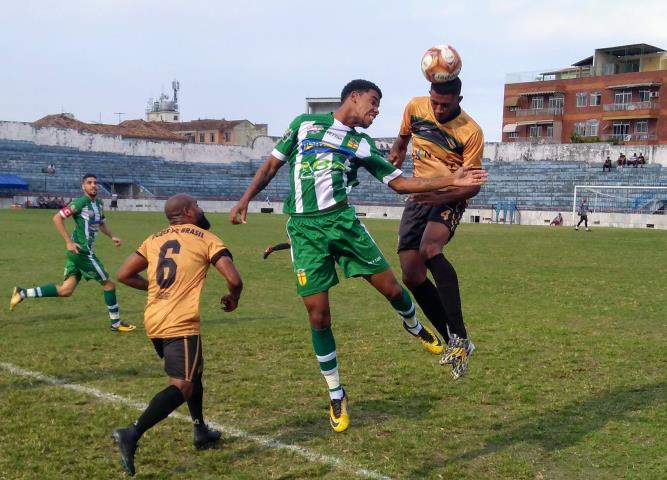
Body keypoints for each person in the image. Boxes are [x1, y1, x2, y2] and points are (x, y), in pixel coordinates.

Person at [229, 79, 488, 433]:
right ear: (353, 97)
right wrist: (245, 198)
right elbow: (272, 166)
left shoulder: (362, 145)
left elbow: (400, 184)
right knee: (318, 316)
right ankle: (336, 393)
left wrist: (451, 181)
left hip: (344, 225)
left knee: (394, 289)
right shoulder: (303, 126)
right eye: (373, 101)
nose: (377, 109)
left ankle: (415, 327)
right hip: (305, 231)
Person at [112, 193, 243, 476]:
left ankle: (200, 431)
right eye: (197, 204)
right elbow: (234, 279)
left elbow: (123, 274)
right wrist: (234, 297)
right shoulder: (206, 237)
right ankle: (132, 433)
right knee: (183, 385)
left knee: (195, 373)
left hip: (154, 318)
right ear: (187, 211)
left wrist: (157, 289)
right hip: (179, 321)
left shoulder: (154, 239)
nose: (200, 207)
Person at [388, 77, 482, 380]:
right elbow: (402, 138)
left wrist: (440, 196)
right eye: (435, 102)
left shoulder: (471, 131)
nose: (439, 109)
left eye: (446, 104)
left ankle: (459, 333)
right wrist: (398, 151)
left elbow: (472, 186)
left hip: (449, 196)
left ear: (459, 100)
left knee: (430, 248)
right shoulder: (415, 107)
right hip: (418, 193)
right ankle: (459, 343)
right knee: (412, 274)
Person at [9, 174, 136, 332]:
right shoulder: (79, 202)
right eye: (89, 183)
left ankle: (22, 293)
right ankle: (116, 324)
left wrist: (112, 236)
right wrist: (68, 242)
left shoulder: (98, 203)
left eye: (95, 183)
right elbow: (57, 218)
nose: (93, 185)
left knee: (66, 290)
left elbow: (101, 222)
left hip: (77, 252)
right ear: (83, 186)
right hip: (82, 252)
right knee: (109, 284)